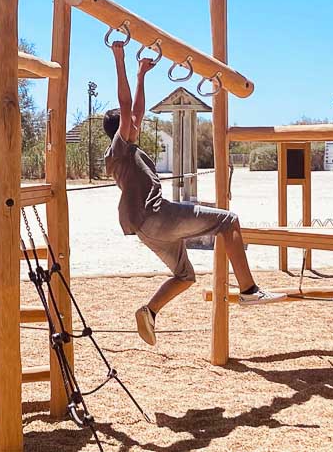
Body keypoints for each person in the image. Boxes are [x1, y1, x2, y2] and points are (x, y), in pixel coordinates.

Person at [104, 42, 286, 346]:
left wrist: (141, 75)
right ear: (120, 128)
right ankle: (249, 290)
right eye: (130, 123)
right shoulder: (120, 147)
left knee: (185, 276)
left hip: (145, 229)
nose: (136, 122)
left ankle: (149, 311)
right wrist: (119, 58)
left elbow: (133, 110)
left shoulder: (126, 149)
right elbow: (127, 108)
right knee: (229, 221)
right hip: (156, 216)